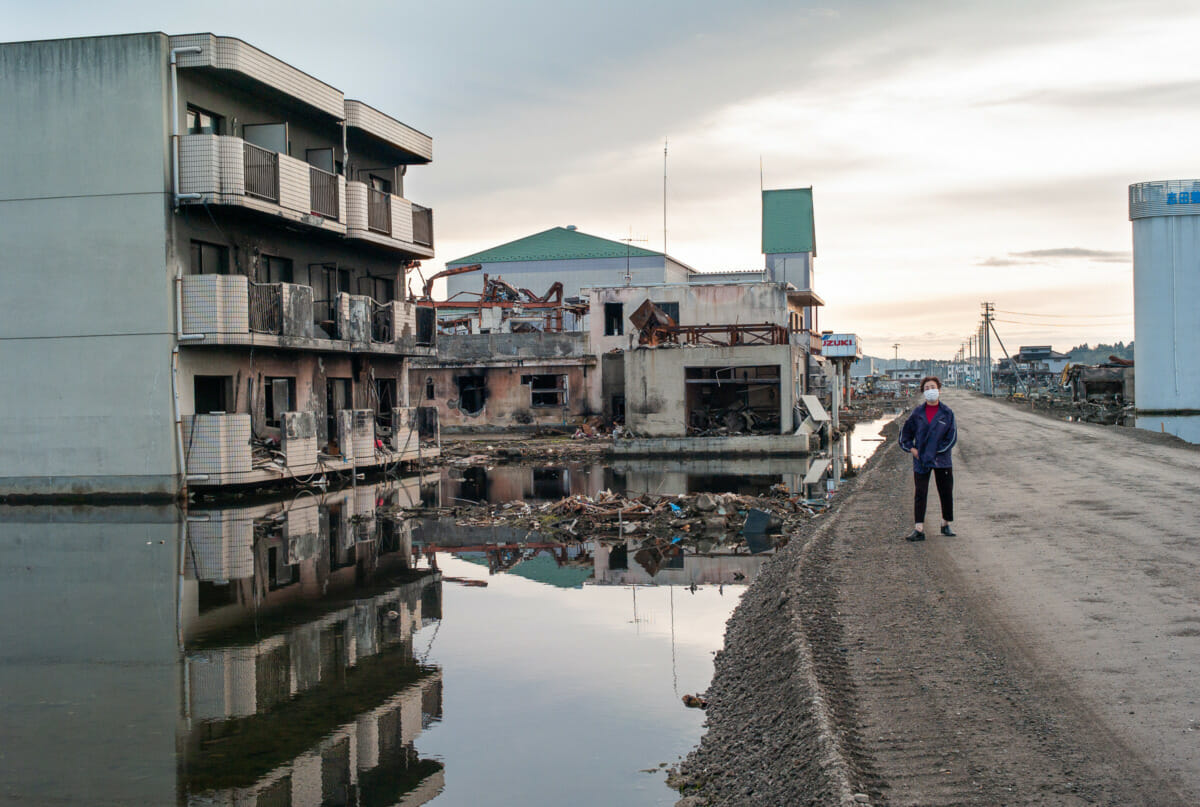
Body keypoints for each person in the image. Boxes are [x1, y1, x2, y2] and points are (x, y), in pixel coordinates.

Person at [898, 376, 957, 542]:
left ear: (939, 389)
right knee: (920, 493)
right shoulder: (917, 413)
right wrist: (912, 449)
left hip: (942, 460)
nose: (930, 390)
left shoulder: (947, 413)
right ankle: (919, 528)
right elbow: (905, 434)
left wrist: (937, 452)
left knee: (945, 492)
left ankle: (945, 524)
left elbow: (951, 438)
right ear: (923, 392)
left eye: (933, 387)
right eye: (927, 388)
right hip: (921, 460)